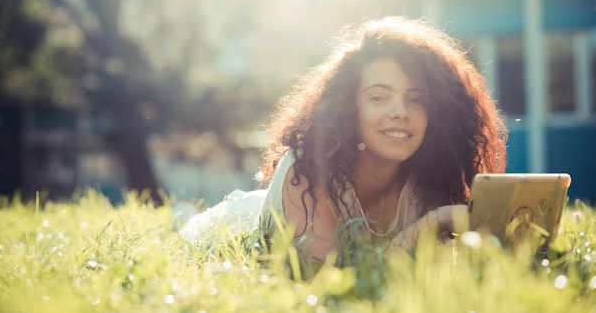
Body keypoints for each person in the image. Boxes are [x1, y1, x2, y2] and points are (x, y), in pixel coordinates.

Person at [179, 16, 507, 263]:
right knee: (181, 222)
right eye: (379, 97)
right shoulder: (307, 169)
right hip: (226, 237)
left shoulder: (426, 186)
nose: (400, 112)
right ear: (349, 108)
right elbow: (324, 279)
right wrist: (436, 222)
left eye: (416, 99)